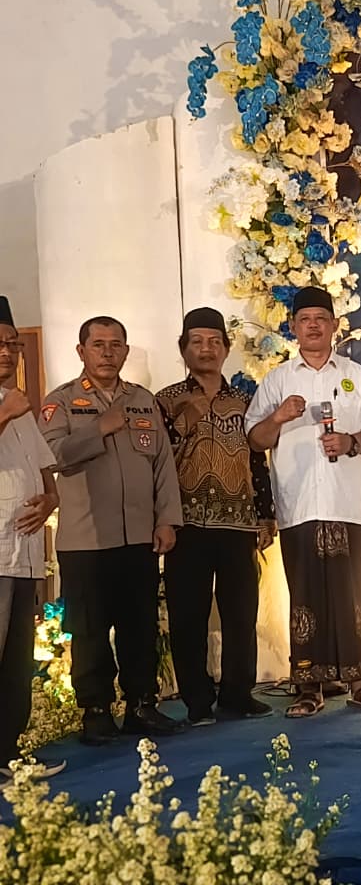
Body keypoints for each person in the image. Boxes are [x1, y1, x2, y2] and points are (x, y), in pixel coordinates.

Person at [246, 286, 361, 718]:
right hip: (299, 506)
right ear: (293, 327)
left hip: (347, 504)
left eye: (320, 319)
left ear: (334, 326)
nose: (313, 326)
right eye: (305, 319)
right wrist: (278, 416)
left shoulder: (358, 377)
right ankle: (309, 686)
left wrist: (350, 441)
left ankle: (360, 682)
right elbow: (255, 439)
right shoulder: (278, 380)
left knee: (354, 594)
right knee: (305, 597)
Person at [41, 315, 185, 744]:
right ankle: (97, 711)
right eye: (98, 344)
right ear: (81, 351)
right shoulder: (61, 401)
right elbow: (50, 456)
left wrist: (166, 519)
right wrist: (98, 429)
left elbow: (163, 465)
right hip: (86, 539)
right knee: (89, 629)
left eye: (115, 344)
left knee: (140, 625)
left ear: (125, 350)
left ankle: (142, 704)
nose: (107, 352)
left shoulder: (141, 400)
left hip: (138, 536)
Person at [155, 308, 276, 727]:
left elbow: (257, 459)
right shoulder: (165, 400)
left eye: (214, 342)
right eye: (197, 342)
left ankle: (238, 694)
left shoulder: (244, 400)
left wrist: (265, 514)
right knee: (187, 616)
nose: (206, 349)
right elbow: (154, 462)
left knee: (241, 613)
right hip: (184, 525)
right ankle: (197, 701)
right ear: (183, 349)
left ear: (225, 348)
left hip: (238, 522)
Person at [0, 297, 63, 779]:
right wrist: (4, 412)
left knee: (17, 661)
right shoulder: (13, 405)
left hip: (24, 552)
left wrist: (49, 501)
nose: (7, 352)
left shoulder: (20, 405)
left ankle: (9, 752)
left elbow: (47, 475)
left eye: (12, 344)